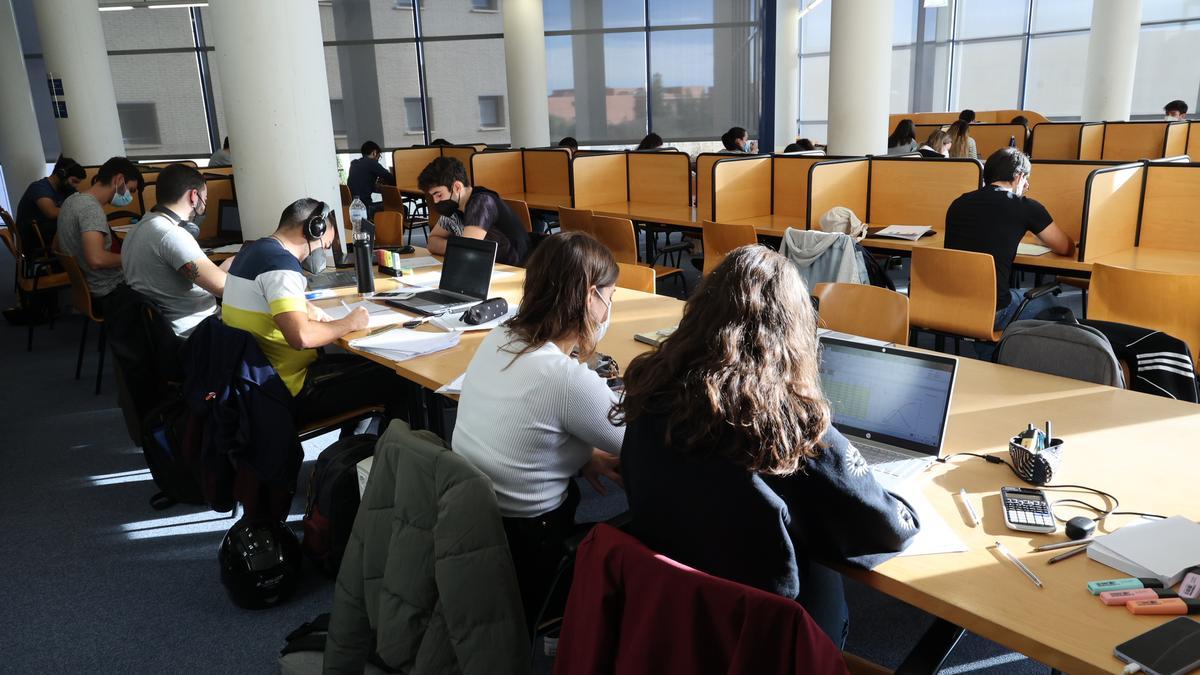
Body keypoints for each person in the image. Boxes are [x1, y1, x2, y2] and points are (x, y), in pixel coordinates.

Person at [613, 245, 919, 647]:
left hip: (673, 607)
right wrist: (908, 507)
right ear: (793, 331)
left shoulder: (651, 387)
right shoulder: (790, 419)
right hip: (766, 635)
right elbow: (887, 528)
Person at [453, 230, 624, 627]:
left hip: (476, 525)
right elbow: (638, 442)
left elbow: (528, 429)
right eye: (609, 298)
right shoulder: (562, 378)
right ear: (589, 297)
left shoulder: (501, 335)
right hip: (536, 545)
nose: (608, 311)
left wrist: (583, 457)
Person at [221, 198, 410, 426]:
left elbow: (263, 297)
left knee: (359, 364)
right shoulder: (281, 266)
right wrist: (350, 322)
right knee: (398, 376)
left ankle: (357, 443)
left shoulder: (252, 252)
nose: (322, 253)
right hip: (288, 389)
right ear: (313, 230)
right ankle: (387, 453)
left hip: (254, 379)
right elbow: (302, 337)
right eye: (325, 245)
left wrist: (306, 307)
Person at [945, 148, 1075, 334]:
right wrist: (1041, 238)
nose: (1027, 185)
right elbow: (1066, 247)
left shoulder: (958, 203)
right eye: (1026, 179)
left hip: (947, 303)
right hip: (993, 311)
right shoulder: (1025, 207)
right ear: (1019, 176)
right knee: (1050, 302)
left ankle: (988, 354)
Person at [121, 164, 229, 337]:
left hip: (159, 332)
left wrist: (220, 269)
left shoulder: (136, 229)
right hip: (197, 333)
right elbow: (223, 288)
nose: (204, 204)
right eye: (205, 199)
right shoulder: (171, 235)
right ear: (194, 196)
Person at [56, 157, 143, 310]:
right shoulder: (91, 209)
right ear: (119, 179)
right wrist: (133, 258)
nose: (130, 196)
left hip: (86, 289)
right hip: (107, 292)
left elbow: (55, 245)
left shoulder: (71, 201)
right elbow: (96, 259)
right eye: (131, 190)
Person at [417, 156, 530, 266]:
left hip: (514, 270)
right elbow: (432, 242)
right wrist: (459, 246)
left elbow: (467, 250)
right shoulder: (454, 207)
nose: (435, 201)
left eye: (439, 195)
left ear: (457, 187)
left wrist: (459, 247)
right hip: (489, 268)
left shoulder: (481, 202)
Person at [15, 155, 85, 255]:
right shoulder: (39, 188)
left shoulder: (64, 189)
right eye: (74, 181)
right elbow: (51, 212)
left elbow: (80, 203)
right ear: (61, 174)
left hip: (48, 235)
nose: (76, 186)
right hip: (33, 241)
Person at [347, 140, 395, 206]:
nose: (378, 159)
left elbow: (361, 184)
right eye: (379, 156)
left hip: (353, 207)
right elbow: (391, 178)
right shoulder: (372, 163)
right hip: (365, 207)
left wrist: (375, 184)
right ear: (374, 153)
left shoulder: (354, 164)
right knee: (401, 208)